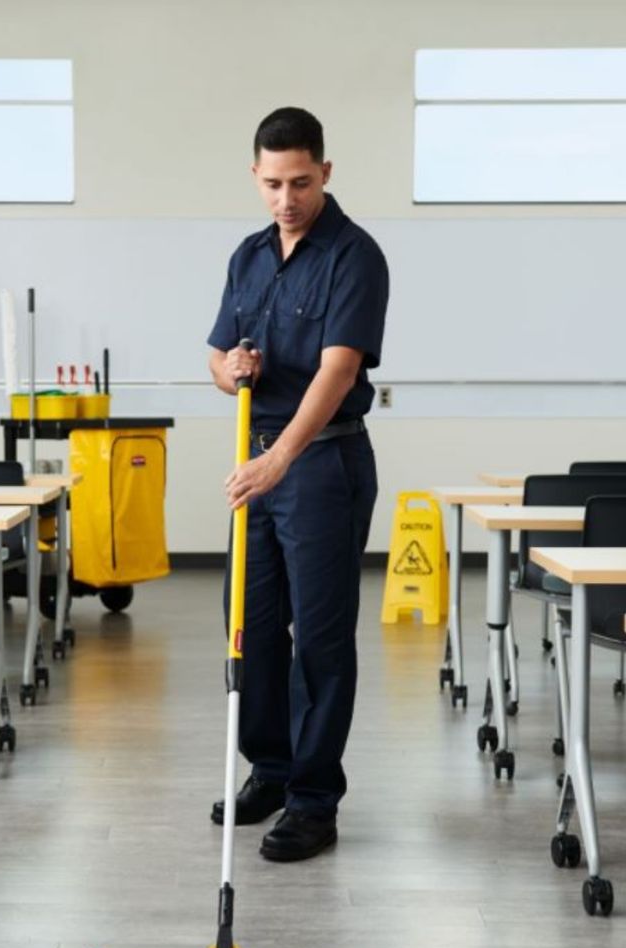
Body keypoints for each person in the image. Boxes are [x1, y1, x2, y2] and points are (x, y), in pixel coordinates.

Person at [207, 106, 389, 861]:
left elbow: (338, 371)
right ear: (256, 176)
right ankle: (272, 770)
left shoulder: (355, 255)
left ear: (326, 173)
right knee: (248, 628)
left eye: (302, 183)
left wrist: (279, 459)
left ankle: (314, 800)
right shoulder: (248, 256)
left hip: (321, 466)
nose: (287, 199)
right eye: (274, 183)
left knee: (319, 638)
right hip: (258, 463)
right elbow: (217, 358)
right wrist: (231, 370)